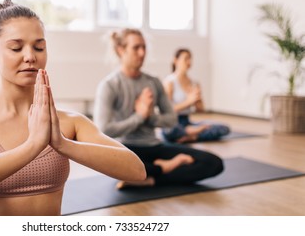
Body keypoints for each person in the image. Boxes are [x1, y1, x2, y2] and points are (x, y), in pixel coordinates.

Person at [0, 0, 146, 216]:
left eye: (39, 47)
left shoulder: (69, 124)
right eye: (16, 48)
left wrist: (61, 143)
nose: (30, 57)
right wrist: (31, 147)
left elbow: (136, 170)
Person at [93, 28, 224, 189]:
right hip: (125, 149)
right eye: (136, 48)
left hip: (154, 146)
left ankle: (152, 177)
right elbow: (103, 130)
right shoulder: (109, 85)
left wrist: (149, 116)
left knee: (213, 163)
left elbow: (171, 119)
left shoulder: (153, 82)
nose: (142, 53)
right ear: (121, 50)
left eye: (144, 47)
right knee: (108, 161)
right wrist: (139, 116)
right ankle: (163, 168)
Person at [162, 48, 230, 143]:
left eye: (190, 58)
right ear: (175, 60)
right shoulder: (169, 82)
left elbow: (201, 110)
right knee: (168, 130)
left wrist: (197, 100)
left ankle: (191, 136)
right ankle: (188, 132)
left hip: (187, 122)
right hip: (174, 122)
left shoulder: (194, 83)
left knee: (224, 128)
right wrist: (188, 101)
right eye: (186, 58)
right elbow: (166, 110)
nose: (189, 62)